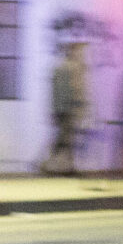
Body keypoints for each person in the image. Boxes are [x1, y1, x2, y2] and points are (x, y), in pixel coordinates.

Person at [46, 42, 89, 174]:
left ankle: (68, 167)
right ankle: (49, 165)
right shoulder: (68, 69)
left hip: (63, 109)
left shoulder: (61, 68)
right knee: (64, 139)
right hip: (66, 110)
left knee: (67, 139)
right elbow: (70, 91)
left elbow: (55, 91)